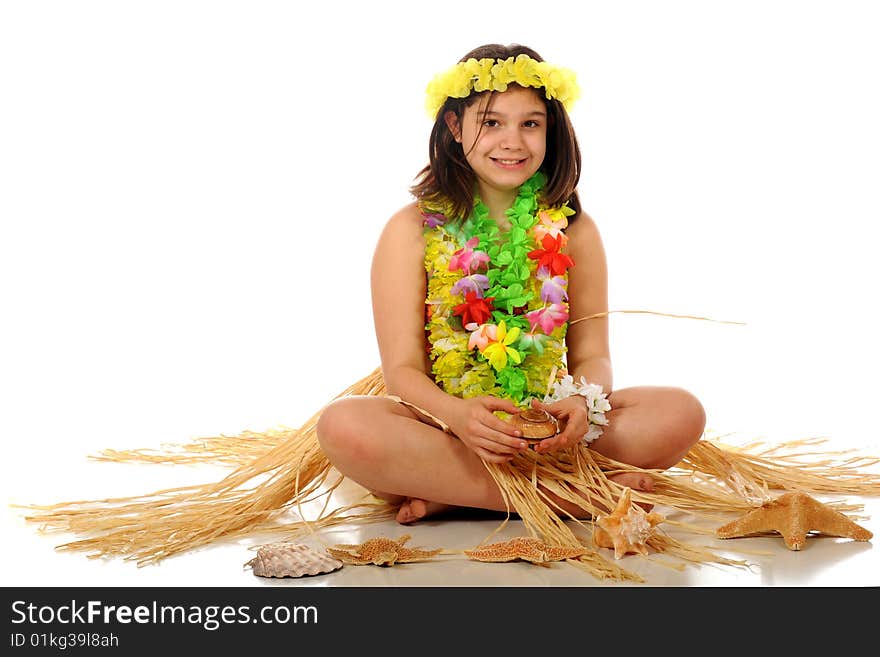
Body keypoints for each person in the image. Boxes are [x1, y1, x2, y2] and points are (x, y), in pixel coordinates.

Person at [315, 43, 706, 525]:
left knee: (679, 411)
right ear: (455, 128)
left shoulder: (573, 231)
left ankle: (459, 495)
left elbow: (592, 356)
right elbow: (402, 373)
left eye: (530, 123)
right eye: (492, 122)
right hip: (448, 428)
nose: (512, 141)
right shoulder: (411, 229)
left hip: (546, 431)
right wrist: (459, 417)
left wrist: (581, 401)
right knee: (346, 424)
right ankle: (567, 500)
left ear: (551, 131)